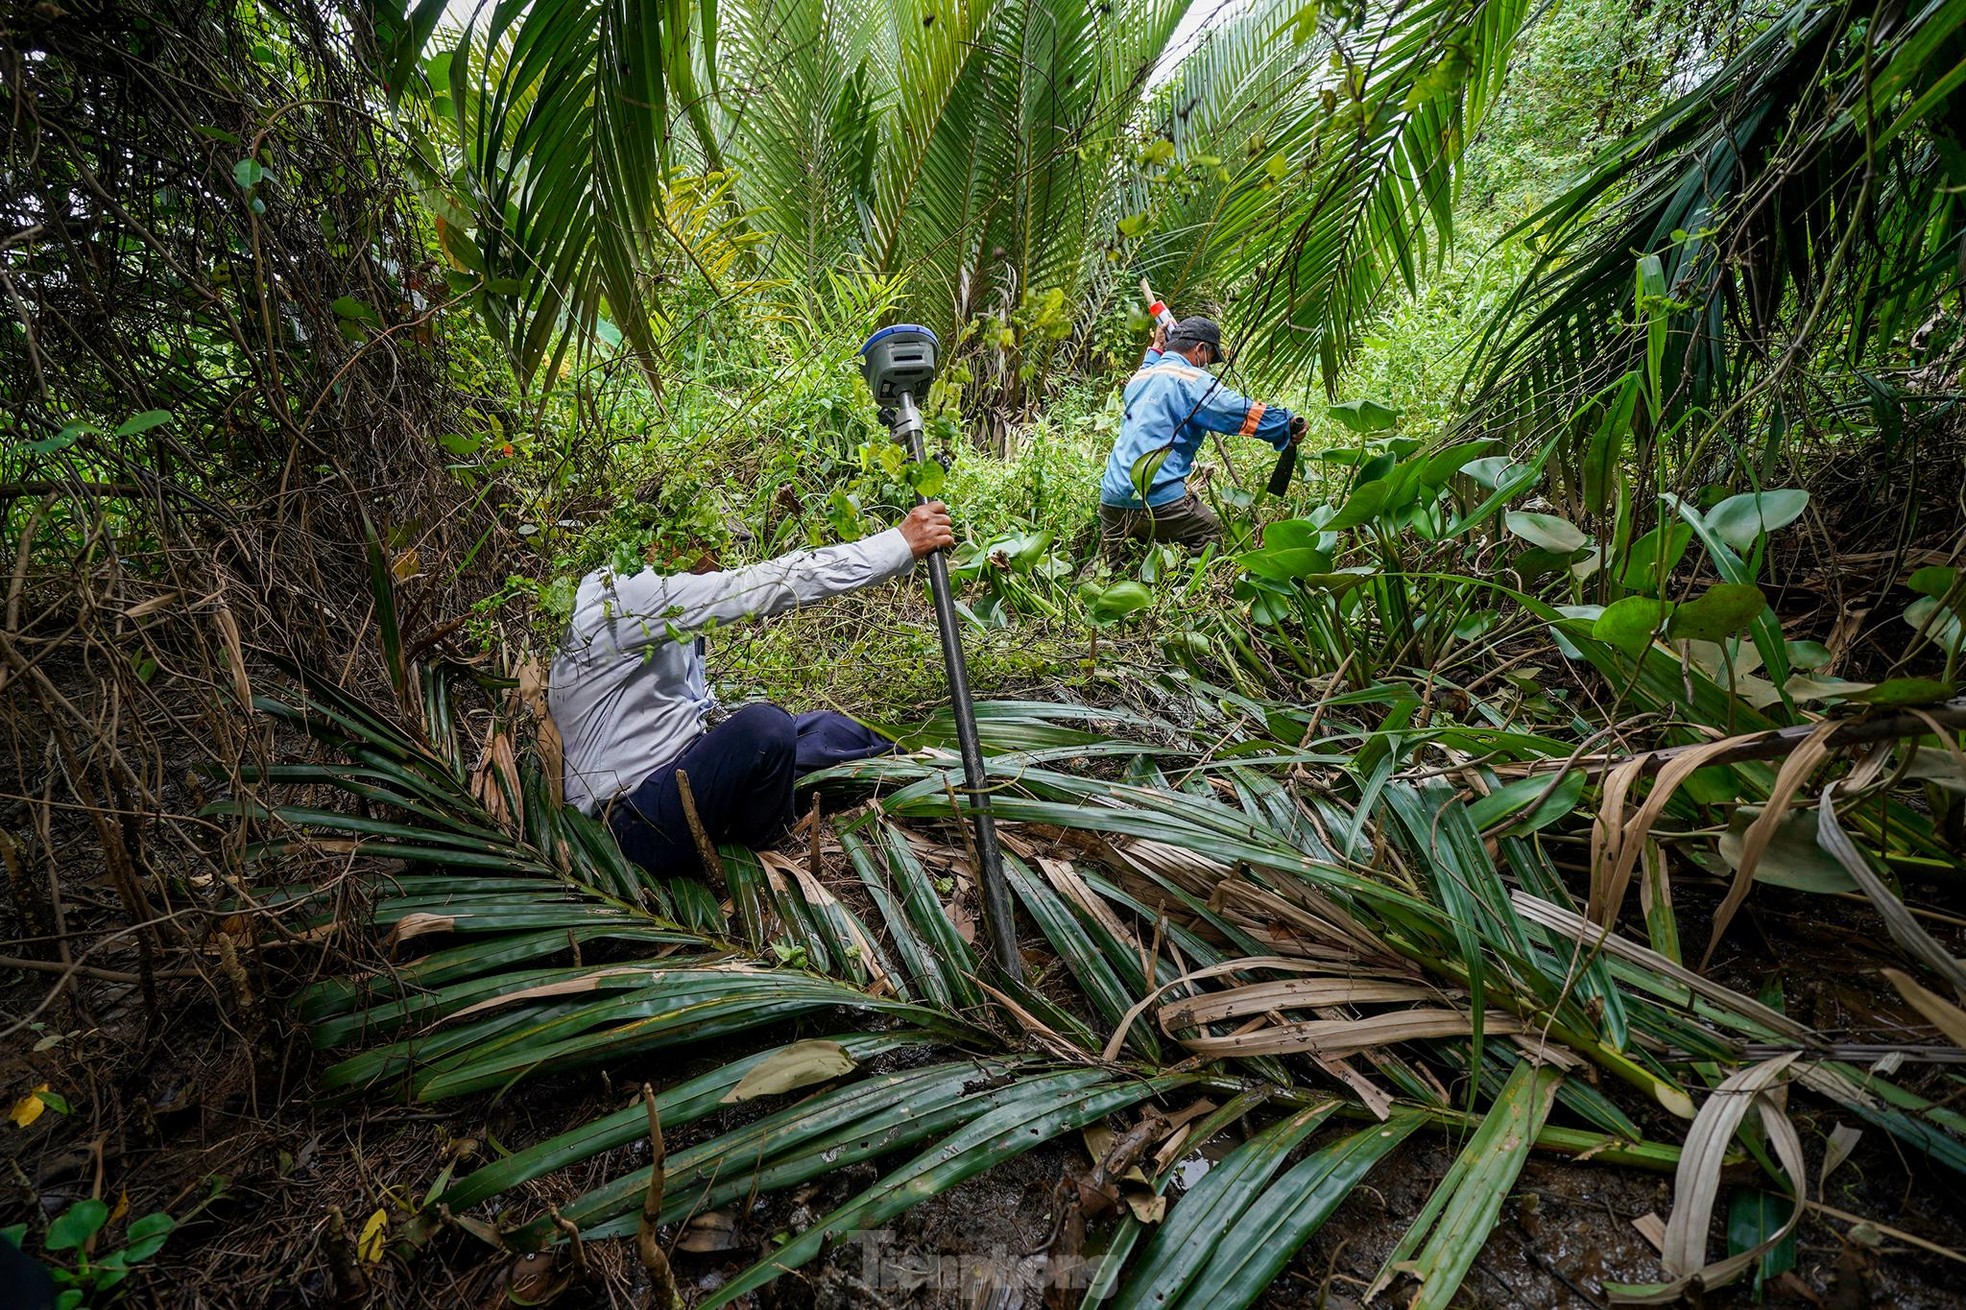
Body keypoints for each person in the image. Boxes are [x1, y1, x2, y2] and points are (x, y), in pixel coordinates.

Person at [549, 503, 956, 877]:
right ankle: (763, 841)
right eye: (711, 548)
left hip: (679, 774)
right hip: (634, 822)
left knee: (828, 729)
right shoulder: (631, 593)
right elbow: (772, 584)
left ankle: (937, 772)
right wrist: (897, 545)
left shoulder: (659, 600)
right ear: (666, 541)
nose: (716, 563)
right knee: (765, 729)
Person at [1097, 316, 1305, 558]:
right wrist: (1284, 423)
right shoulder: (1191, 381)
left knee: (1110, 566)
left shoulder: (1139, 379)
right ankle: (1185, 588)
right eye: (1209, 359)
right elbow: (1234, 411)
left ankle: (1109, 569)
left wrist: (1155, 348)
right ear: (1200, 349)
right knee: (1209, 533)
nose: (1206, 365)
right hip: (1158, 502)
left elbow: (1148, 368)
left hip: (1111, 500)